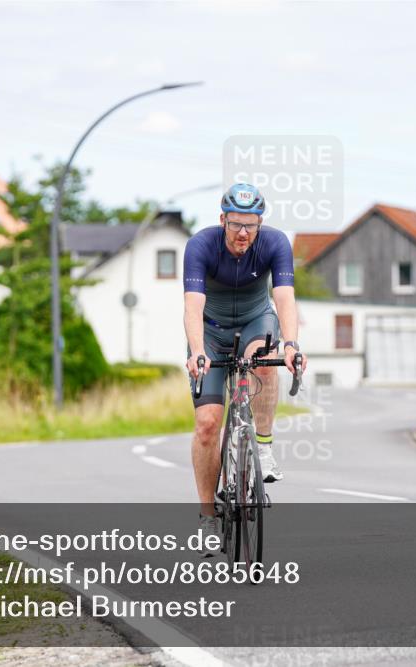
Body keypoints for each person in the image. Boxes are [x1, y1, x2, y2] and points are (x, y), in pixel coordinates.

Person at [182, 183, 308, 555]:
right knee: (207, 424)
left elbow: (284, 296)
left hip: (256, 322)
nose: (242, 233)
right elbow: (192, 305)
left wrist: (291, 344)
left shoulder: (274, 244)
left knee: (264, 364)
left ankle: (263, 447)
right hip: (210, 331)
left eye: (250, 225)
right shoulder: (201, 246)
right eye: (236, 224)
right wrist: (196, 351)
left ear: (260, 224)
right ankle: (208, 516)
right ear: (222, 220)